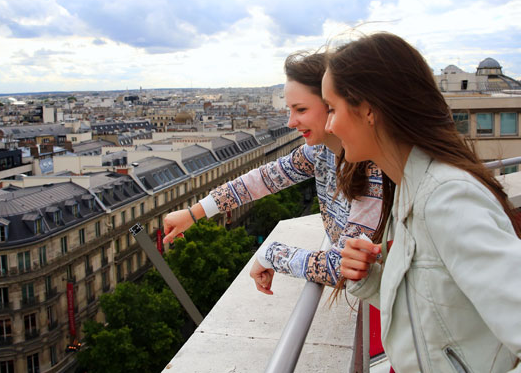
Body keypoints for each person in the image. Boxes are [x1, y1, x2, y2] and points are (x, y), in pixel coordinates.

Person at [324, 32, 521, 372]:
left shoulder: (446, 198)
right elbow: (442, 316)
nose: (329, 123)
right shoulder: (410, 188)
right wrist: (371, 280)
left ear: (368, 110)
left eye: (332, 108)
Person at [162, 51, 382, 294]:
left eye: (300, 109)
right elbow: (264, 178)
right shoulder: (322, 152)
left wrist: (271, 253)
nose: (291, 122)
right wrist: (193, 214)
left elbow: (340, 267)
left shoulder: (372, 168)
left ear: (332, 105)